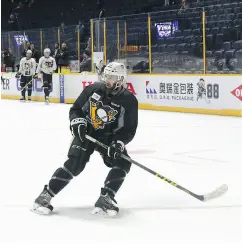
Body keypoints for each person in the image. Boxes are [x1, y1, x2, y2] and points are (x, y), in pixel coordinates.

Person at [31, 62, 138, 216]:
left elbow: (128, 129)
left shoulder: (129, 100)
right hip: (87, 132)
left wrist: (119, 143)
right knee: (75, 164)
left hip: (109, 138)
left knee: (123, 162)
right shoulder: (93, 89)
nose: (107, 79)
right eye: (106, 75)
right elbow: (76, 110)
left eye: (112, 77)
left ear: (120, 80)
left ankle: (106, 198)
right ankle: (44, 196)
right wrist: (78, 122)